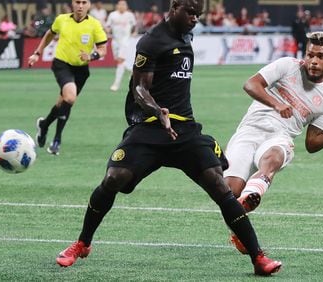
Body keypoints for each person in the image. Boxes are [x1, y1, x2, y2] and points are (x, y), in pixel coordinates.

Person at [55, 0, 282, 276]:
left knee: (220, 187)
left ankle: (258, 257)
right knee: (113, 179)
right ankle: (82, 243)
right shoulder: (152, 41)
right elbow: (139, 88)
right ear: (174, 8)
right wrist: (156, 111)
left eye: (198, 14)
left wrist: (173, 117)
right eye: (190, 12)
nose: (195, 19)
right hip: (150, 127)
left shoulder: (186, 35)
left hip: (184, 130)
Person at [223, 32, 323, 254]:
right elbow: (251, 84)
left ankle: (252, 197)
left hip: (280, 137)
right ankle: (240, 222)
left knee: (275, 156)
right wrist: (276, 104)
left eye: (320, 56)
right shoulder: (287, 66)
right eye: (310, 55)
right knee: (229, 192)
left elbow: (312, 143)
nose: (314, 61)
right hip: (249, 130)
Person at [28, 0, 108, 155]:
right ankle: (57, 140)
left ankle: (44, 124)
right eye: (77, 2)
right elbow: (49, 34)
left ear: (88, 5)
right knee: (70, 98)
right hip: (62, 64)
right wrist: (37, 53)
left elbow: (103, 48)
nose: (80, 5)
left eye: (84, 2)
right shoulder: (61, 20)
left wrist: (92, 56)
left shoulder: (94, 25)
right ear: (72, 4)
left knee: (63, 102)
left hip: (81, 69)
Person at [105, 0, 137, 92]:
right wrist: (107, 30)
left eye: (124, 4)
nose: (122, 6)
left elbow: (134, 26)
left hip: (125, 41)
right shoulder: (113, 15)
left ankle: (116, 84)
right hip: (115, 41)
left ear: (126, 6)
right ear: (117, 6)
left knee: (120, 61)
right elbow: (108, 26)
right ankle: (132, 71)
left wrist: (134, 32)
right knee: (121, 61)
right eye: (120, 4)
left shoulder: (129, 15)